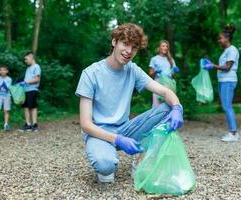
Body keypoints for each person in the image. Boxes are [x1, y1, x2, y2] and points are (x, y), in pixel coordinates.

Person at [76, 23, 184, 183]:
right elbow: (85, 124)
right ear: (114, 42)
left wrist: (177, 108)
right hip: (98, 132)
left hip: (125, 129)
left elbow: (166, 92)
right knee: (106, 166)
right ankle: (106, 156)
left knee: (168, 107)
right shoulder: (91, 73)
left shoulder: (133, 70)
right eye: (125, 44)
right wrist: (116, 140)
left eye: (134, 47)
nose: (129, 51)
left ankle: (141, 159)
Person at [202, 25, 240, 142]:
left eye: (220, 38)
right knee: (226, 106)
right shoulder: (226, 51)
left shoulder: (232, 50)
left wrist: (213, 66)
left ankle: (233, 133)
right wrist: (213, 65)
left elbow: (228, 67)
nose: (219, 41)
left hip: (228, 80)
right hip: (223, 81)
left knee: (227, 106)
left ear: (227, 39)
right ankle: (232, 131)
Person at [149, 40, 179, 107]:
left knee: (168, 104)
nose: (165, 48)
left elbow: (173, 74)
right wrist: (156, 71)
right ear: (159, 48)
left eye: (166, 46)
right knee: (157, 104)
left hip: (169, 83)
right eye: (163, 46)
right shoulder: (154, 59)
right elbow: (150, 73)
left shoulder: (171, 59)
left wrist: (173, 71)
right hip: (158, 83)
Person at [18, 51, 41, 133]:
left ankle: (35, 125)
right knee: (26, 107)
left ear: (31, 57)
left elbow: (37, 79)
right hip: (26, 90)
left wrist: (26, 82)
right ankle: (28, 124)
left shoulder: (36, 67)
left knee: (33, 107)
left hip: (33, 90)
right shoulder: (28, 68)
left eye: (26, 59)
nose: (25, 61)